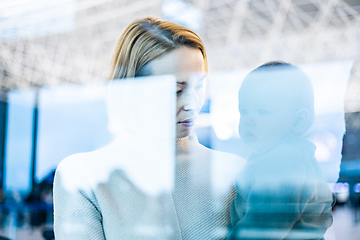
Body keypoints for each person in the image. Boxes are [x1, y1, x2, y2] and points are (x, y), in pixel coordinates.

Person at [53, 17, 245, 239]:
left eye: (199, 87)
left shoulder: (233, 173)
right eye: (176, 91)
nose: (193, 104)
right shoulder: (84, 177)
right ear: (134, 93)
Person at [227, 61, 335, 240]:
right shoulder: (293, 158)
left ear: (299, 121)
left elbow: (261, 229)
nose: (248, 120)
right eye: (244, 111)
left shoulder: (283, 162)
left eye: (262, 111)